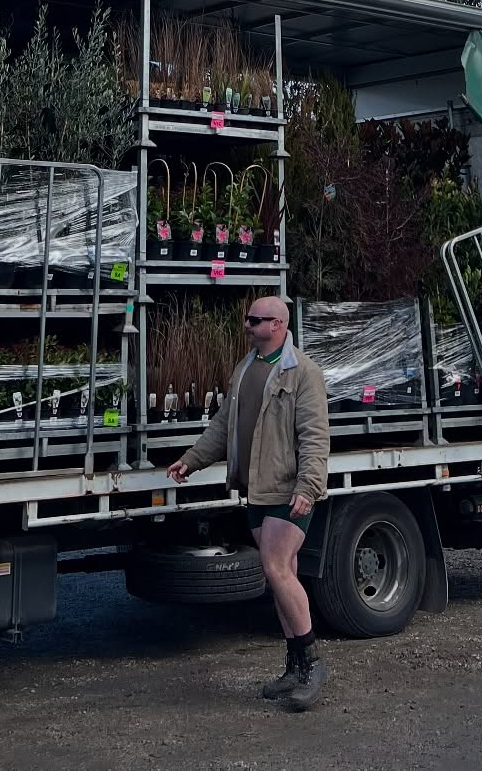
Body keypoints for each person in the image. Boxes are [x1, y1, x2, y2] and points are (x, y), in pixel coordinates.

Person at [167, 295, 331, 708]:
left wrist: (308, 487)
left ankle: (313, 664)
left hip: (287, 489)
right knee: (282, 576)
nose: (247, 326)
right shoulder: (246, 369)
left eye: (255, 320)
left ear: (277, 324)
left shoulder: (302, 372)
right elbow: (224, 426)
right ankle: (294, 665)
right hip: (256, 489)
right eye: (247, 319)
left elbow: (315, 436)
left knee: (275, 569)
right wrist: (191, 460)